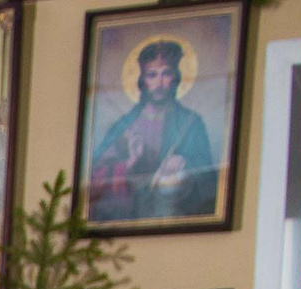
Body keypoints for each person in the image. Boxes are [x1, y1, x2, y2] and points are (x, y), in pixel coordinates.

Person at [87, 39, 218, 225]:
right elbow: (94, 176)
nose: (159, 83)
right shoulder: (124, 125)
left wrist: (185, 165)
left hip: (171, 212)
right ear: (142, 80)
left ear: (176, 77)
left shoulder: (190, 123)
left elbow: (209, 177)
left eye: (166, 74)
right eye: (152, 75)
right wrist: (129, 164)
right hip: (126, 215)